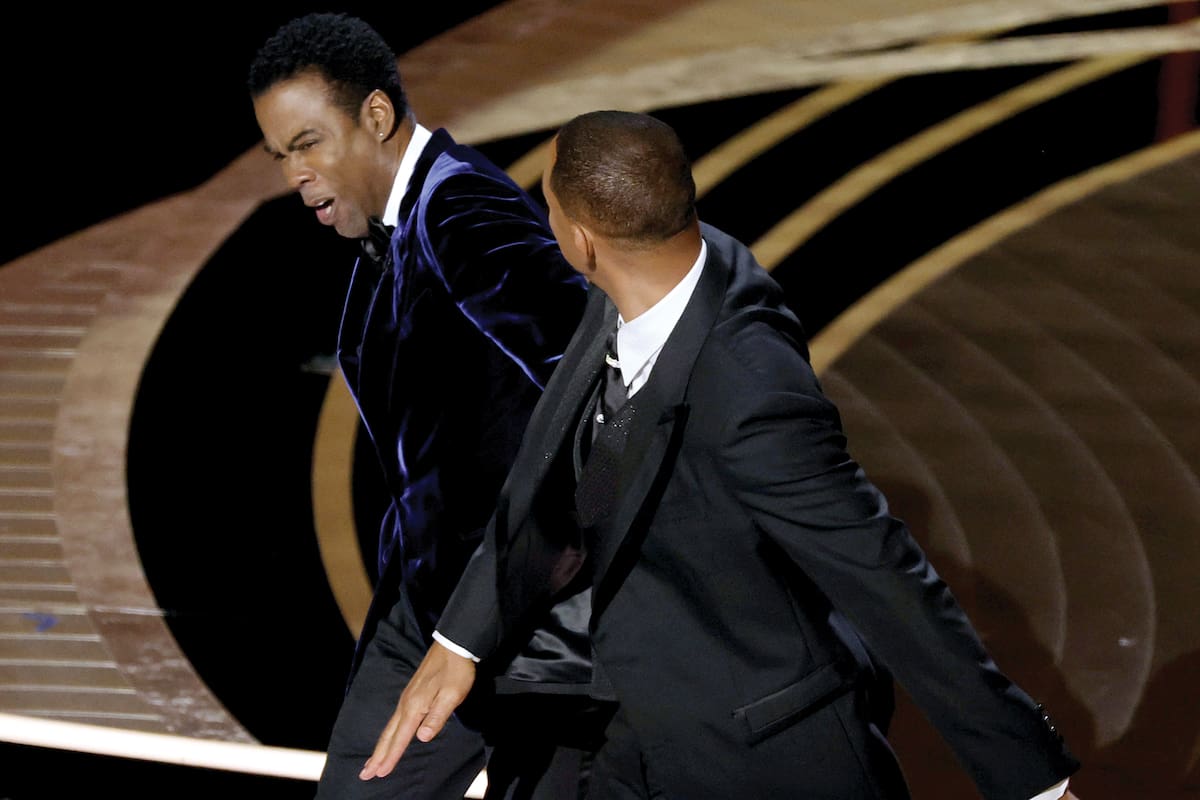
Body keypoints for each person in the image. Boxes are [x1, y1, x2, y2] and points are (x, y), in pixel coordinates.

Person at [360, 110, 1084, 800]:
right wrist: (462, 639)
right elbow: (570, 480)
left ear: (581, 240)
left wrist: (1029, 774)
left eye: (546, 205)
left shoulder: (750, 393)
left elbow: (882, 573)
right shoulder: (648, 279)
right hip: (634, 729)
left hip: (760, 755)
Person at [247, 13, 595, 799]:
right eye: (279, 156)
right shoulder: (393, 228)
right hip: (425, 609)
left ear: (375, 116)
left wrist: (492, 605)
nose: (293, 174)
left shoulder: (461, 209)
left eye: (307, 144)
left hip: (522, 619)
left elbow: (591, 375)